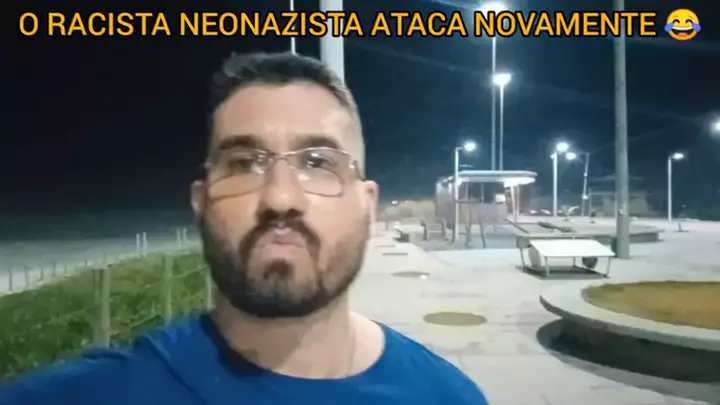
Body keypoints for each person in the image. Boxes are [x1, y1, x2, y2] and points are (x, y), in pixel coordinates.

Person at [2, 52, 488, 404]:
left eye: (318, 162)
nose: (280, 198)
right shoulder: (91, 394)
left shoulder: (448, 397)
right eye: (243, 162)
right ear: (201, 202)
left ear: (368, 205)